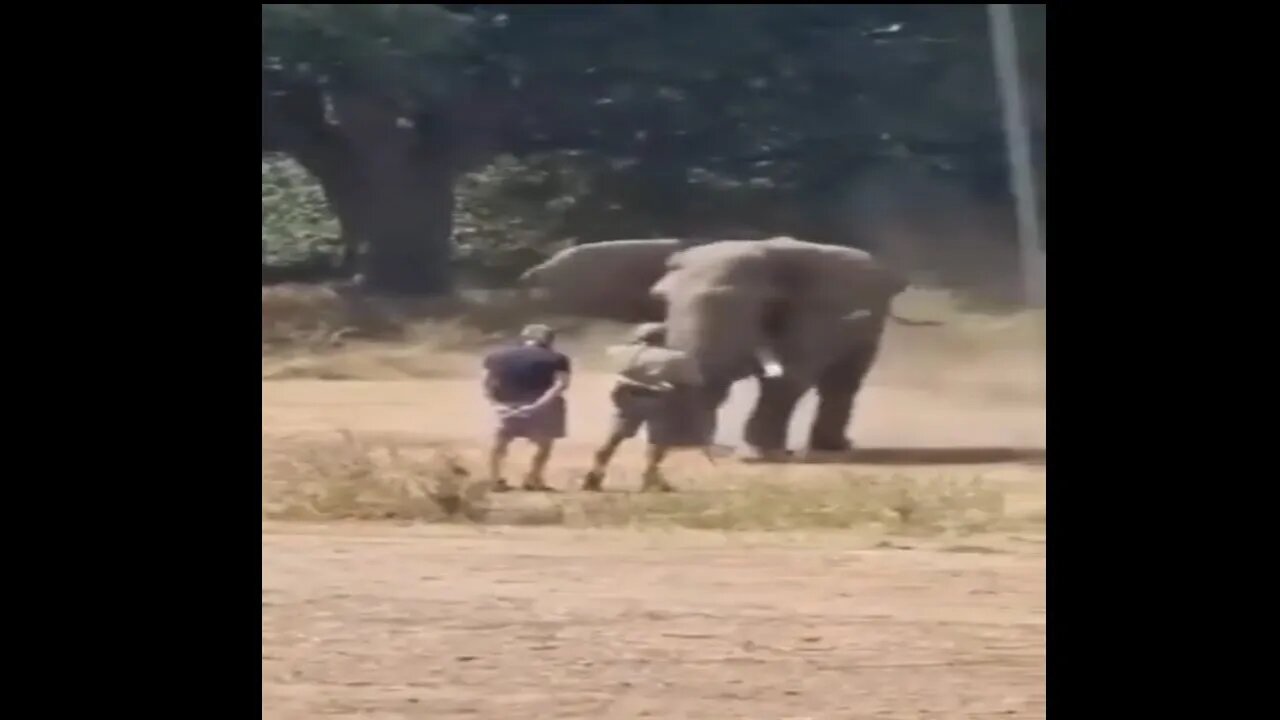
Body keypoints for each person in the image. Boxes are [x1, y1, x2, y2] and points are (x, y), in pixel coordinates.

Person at [582, 322, 705, 493]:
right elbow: (692, 383)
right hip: (659, 401)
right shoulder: (677, 357)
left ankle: (596, 473)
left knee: (614, 439)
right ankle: (650, 475)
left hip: (627, 399)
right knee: (657, 441)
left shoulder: (620, 352)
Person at [482, 323, 572, 492]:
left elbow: (486, 384)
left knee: (500, 444)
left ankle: (495, 479)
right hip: (542, 410)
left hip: (505, 406)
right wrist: (536, 406)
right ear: (548, 341)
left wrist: (496, 406)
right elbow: (561, 385)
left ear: (524, 339)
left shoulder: (496, 356)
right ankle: (533, 479)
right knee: (543, 445)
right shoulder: (558, 358)